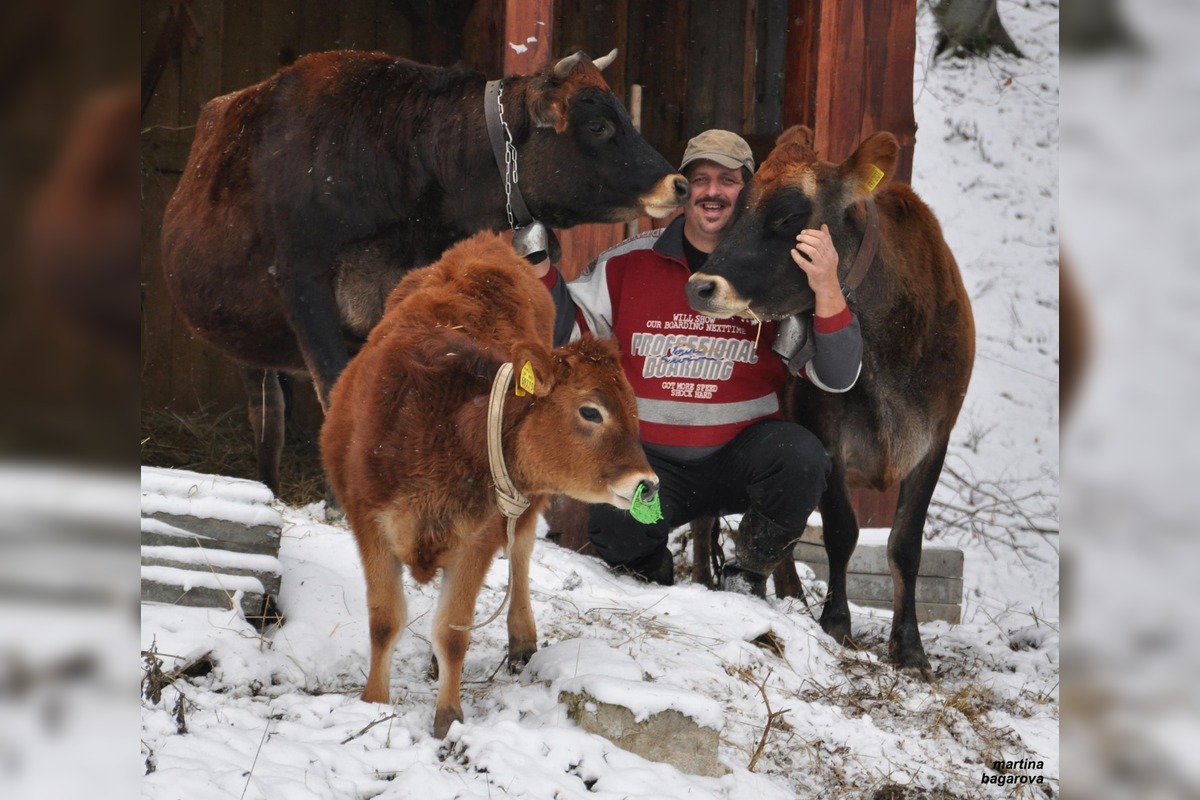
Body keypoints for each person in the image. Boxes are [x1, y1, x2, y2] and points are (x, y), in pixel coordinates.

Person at [529, 129, 863, 596]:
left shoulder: (774, 272)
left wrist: (827, 285)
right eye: (700, 178)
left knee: (802, 459)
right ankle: (657, 590)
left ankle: (748, 574)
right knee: (617, 524)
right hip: (656, 471)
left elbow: (838, 375)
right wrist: (540, 269)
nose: (712, 191)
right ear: (684, 191)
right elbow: (569, 336)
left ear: (749, 194)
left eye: (727, 180)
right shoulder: (628, 265)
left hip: (741, 464)